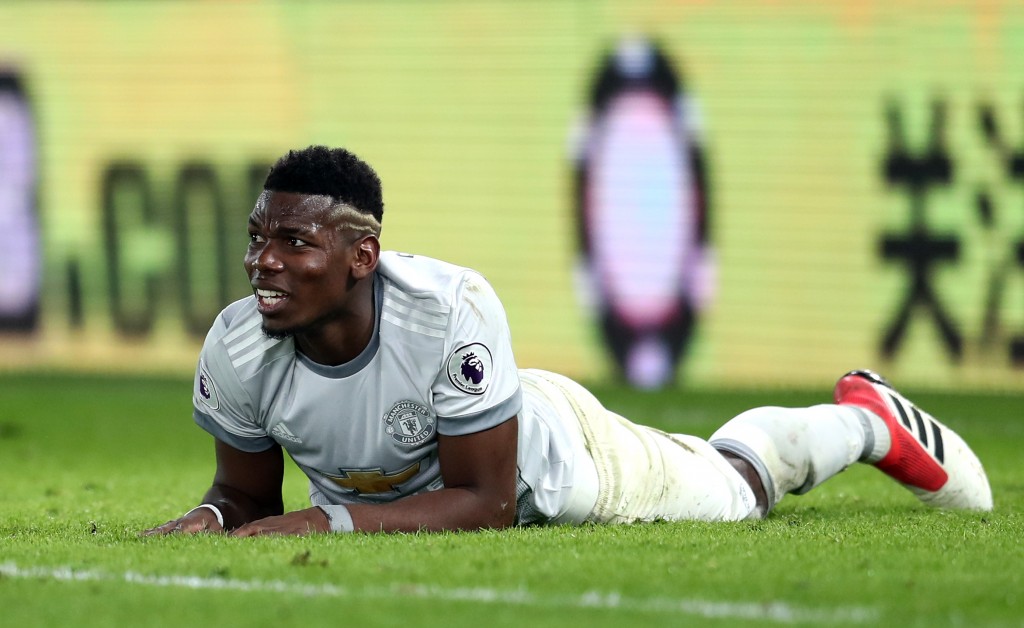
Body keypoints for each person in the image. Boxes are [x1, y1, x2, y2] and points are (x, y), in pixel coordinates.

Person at [143, 146, 992, 538]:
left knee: (738, 489)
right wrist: (214, 517)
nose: (264, 262)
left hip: (560, 461)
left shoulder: (449, 309)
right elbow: (245, 494)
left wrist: (328, 526)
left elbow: (489, 503)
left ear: (363, 256)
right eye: (258, 238)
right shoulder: (237, 346)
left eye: (295, 243)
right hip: (430, 483)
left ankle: (865, 421)